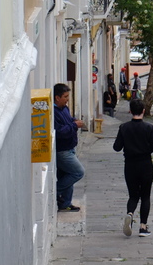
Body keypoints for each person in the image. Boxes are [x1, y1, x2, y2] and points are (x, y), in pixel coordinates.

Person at [113, 97, 153, 238]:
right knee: (145, 196)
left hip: (130, 165)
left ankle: (130, 213)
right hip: (145, 165)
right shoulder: (148, 128)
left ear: (130, 111)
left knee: (133, 195)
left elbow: (116, 147)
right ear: (143, 111)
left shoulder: (124, 127)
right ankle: (143, 227)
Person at [53, 83, 86, 212]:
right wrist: (74, 126)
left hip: (70, 148)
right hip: (62, 151)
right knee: (78, 172)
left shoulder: (64, 109)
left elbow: (69, 120)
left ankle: (65, 203)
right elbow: (60, 132)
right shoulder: (54, 112)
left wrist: (74, 121)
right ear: (57, 98)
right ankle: (55, 191)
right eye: (65, 97)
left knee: (67, 175)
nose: (67, 99)